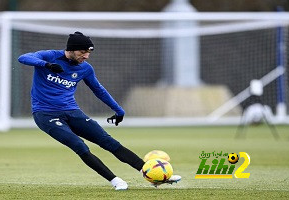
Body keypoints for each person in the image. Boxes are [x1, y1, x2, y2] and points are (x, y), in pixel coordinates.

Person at [18, 31, 180, 190]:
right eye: (83, 52)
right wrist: (46, 65)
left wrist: (119, 110)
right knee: (79, 145)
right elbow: (23, 58)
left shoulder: (85, 68)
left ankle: (153, 173)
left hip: (72, 112)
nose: (86, 56)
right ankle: (115, 180)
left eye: (88, 53)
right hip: (45, 114)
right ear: (71, 49)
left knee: (109, 142)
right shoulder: (49, 56)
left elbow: (99, 90)